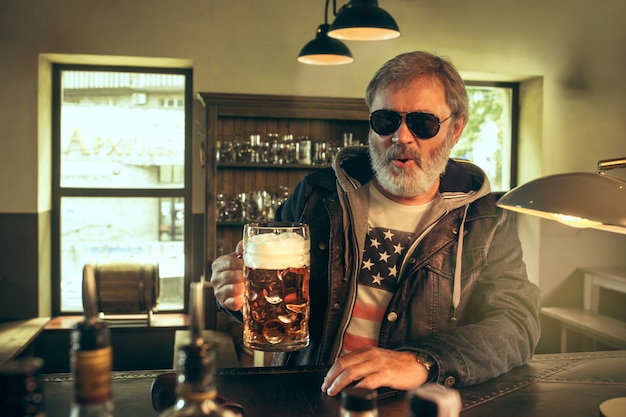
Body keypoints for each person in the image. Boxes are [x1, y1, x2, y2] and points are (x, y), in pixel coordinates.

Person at [210, 51, 541, 397]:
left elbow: (517, 325)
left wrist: (420, 361)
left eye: (422, 123)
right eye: (386, 120)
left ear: (455, 129)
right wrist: (236, 295)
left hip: (414, 404)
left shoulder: (485, 219)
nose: (402, 137)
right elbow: (273, 308)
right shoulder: (317, 194)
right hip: (310, 397)